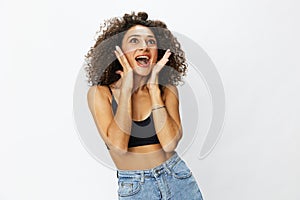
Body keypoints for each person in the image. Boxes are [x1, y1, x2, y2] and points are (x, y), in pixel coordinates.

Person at [85, 11, 204, 200]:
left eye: (151, 42)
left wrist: (154, 89)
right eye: (134, 41)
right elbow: (118, 147)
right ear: (119, 51)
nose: (144, 47)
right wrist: (126, 90)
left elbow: (169, 143)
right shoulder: (100, 93)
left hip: (177, 178)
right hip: (136, 188)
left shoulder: (167, 90)